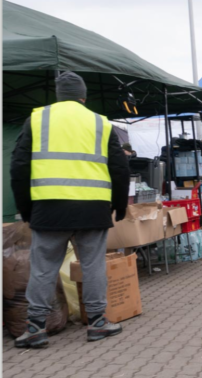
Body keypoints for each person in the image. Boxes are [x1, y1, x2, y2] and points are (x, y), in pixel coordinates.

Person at [10, 72, 130, 349]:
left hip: (49, 209)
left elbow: (18, 166)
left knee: (43, 268)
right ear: (83, 96)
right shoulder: (100, 122)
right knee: (92, 266)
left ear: (58, 95)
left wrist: (26, 208)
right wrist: (120, 204)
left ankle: (35, 328)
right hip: (93, 208)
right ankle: (98, 323)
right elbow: (120, 167)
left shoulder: (38, 119)